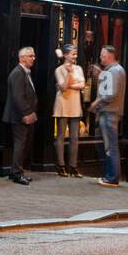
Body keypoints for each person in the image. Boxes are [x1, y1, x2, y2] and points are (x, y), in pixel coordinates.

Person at [89, 45, 126, 186]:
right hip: (111, 113)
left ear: (110, 57)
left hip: (109, 113)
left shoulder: (114, 71)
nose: (100, 58)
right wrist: (101, 76)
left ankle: (112, 178)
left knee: (110, 147)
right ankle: (111, 176)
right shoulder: (113, 71)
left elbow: (110, 93)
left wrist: (96, 102)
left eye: (103, 56)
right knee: (110, 146)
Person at [1, 47, 39, 185]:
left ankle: (16, 171)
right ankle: (17, 174)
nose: (33, 58)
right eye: (30, 56)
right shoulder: (17, 73)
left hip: (24, 115)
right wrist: (27, 113)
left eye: (33, 56)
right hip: (19, 116)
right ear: (22, 58)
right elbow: (18, 97)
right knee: (20, 145)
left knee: (24, 144)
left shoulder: (25, 73)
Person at [53, 44, 85, 178]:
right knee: (60, 135)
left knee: (74, 138)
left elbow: (82, 85)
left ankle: (73, 166)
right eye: (73, 54)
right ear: (65, 55)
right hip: (63, 104)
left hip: (75, 105)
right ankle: (61, 166)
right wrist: (69, 74)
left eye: (76, 54)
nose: (75, 56)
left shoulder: (79, 68)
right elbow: (63, 87)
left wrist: (71, 84)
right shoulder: (59, 70)